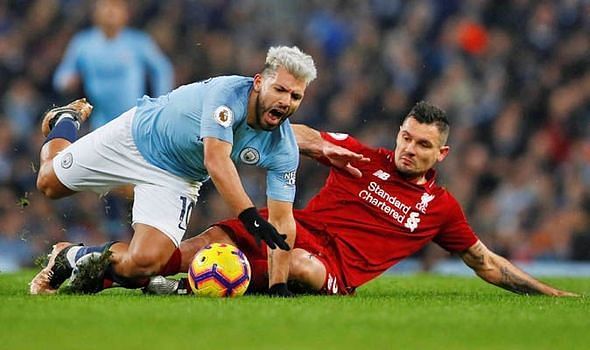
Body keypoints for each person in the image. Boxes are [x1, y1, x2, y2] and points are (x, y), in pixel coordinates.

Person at [147, 101, 577, 297]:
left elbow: (485, 262)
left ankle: (186, 289)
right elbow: (297, 135)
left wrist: (548, 293)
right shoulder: (363, 157)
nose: (409, 149)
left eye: (422, 145)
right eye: (406, 137)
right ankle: (109, 269)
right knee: (200, 244)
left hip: (331, 267)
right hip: (296, 228)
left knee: (296, 264)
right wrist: (313, 146)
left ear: (440, 154)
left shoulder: (441, 208)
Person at [29, 45, 319, 297]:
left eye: (295, 96)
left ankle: (69, 255)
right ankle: (66, 119)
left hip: (177, 177)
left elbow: (282, 221)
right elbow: (216, 160)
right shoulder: (227, 95)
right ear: (258, 82)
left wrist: (278, 286)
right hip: (136, 138)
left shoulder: (284, 148)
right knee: (48, 184)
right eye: (279, 89)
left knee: (144, 264)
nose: (286, 101)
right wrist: (249, 216)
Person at [53, 0, 173, 130]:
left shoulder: (138, 42)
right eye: (105, 6)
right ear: (95, 12)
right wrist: (67, 82)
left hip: (133, 120)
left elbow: (163, 70)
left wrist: (159, 105)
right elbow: (60, 77)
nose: (110, 11)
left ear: (126, 13)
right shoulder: (83, 43)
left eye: (116, 7)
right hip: (100, 121)